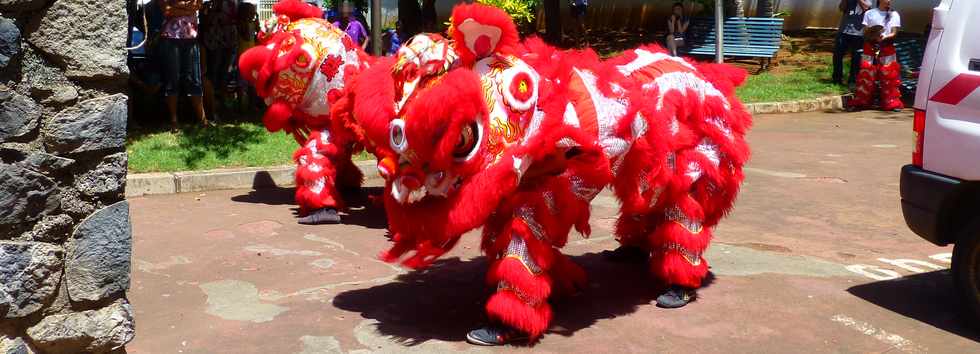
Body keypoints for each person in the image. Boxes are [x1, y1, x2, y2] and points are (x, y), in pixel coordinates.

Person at [161, 0, 209, 130]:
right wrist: (187, 8)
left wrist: (176, 5)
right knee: (173, 79)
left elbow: (197, 6)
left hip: (191, 37)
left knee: (194, 79)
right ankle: (174, 121)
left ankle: (202, 119)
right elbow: (166, 10)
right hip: (171, 37)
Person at [850, 0, 903, 111]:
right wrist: (873, 37)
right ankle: (862, 100)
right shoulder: (870, 13)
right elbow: (865, 31)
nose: (889, 1)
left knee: (889, 75)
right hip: (870, 47)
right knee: (866, 74)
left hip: (887, 47)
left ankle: (891, 102)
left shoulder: (894, 14)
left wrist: (884, 38)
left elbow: (894, 32)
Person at [833, 0, 871, 86]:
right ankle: (837, 78)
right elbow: (841, 8)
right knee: (837, 55)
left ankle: (853, 79)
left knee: (856, 57)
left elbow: (866, 8)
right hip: (844, 30)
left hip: (859, 33)